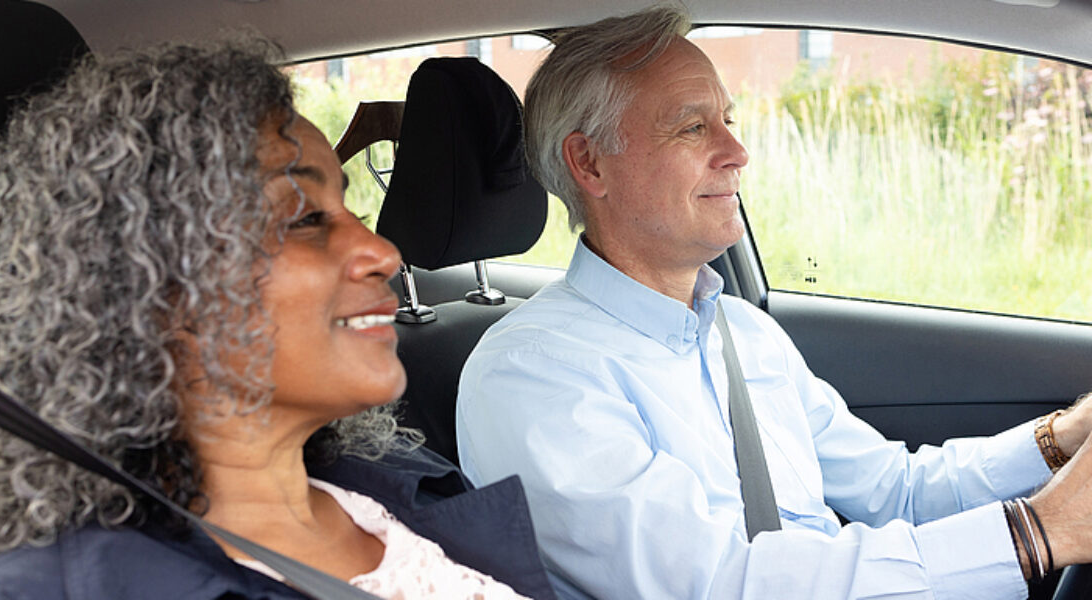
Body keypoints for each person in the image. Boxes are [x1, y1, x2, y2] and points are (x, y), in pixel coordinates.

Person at [455, 6, 1092, 600]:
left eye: (728, 121)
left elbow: (897, 490)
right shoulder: (531, 374)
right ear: (589, 163)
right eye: (692, 127)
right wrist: (1039, 532)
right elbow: (718, 583)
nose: (737, 153)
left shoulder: (742, 330)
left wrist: (1064, 437)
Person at [0, 39, 557, 600]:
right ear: (148, 287)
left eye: (350, 209)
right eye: (303, 217)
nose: (382, 251)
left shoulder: (395, 481)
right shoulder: (56, 590)